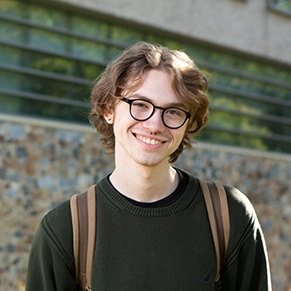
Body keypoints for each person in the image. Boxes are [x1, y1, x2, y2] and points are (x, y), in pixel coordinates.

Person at [26, 42, 272, 290]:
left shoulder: (228, 215)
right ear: (109, 109)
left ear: (188, 123)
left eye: (174, 111)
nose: (155, 124)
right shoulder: (65, 229)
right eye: (141, 104)